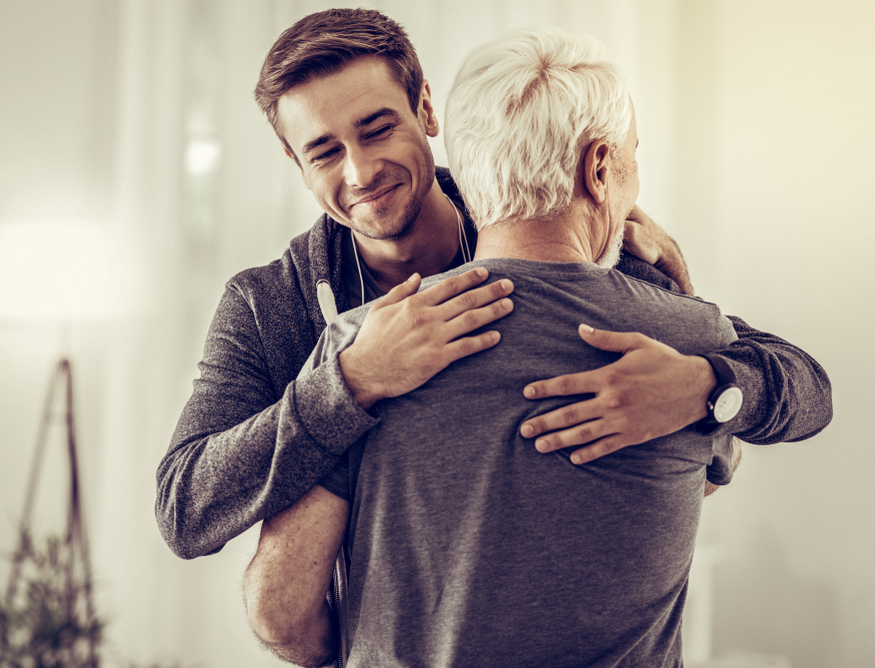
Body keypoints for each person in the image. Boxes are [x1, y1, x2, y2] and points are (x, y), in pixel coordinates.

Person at [242, 28, 830, 667]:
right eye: (633, 157)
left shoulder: (361, 347)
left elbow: (280, 614)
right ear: (599, 169)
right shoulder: (687, 339)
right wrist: (704, 380)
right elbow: (802, 401)